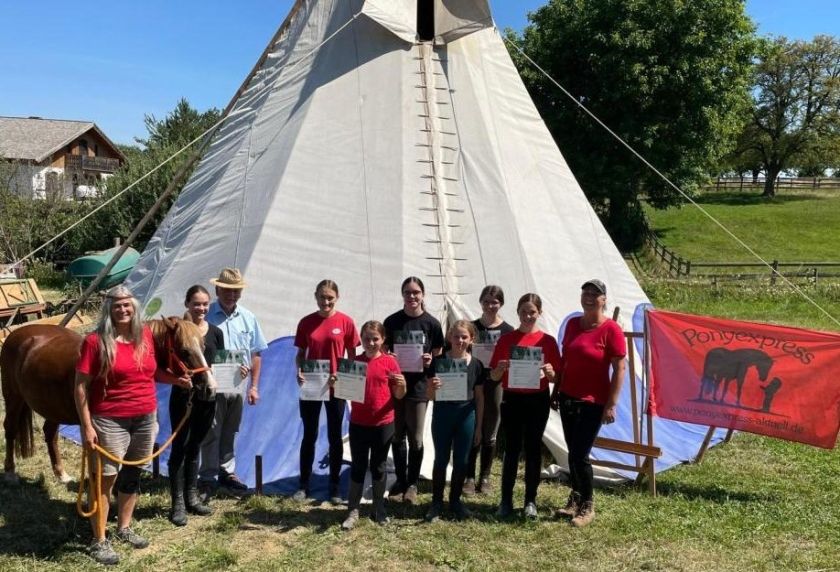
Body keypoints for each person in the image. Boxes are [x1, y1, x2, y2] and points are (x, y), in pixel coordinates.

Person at [75, 286, 192, 565]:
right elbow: (80, 386)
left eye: (127, 305)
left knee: (132, 475)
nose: (123, 310)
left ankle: (124, 527)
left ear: (134, 308)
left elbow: (153, 371)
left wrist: (175, 380)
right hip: (109, 419)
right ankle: (99, 540)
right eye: (117, 306)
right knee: (105, 479)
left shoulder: (145, 336)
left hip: (145, 417)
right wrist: (87, 426)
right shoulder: (95, 342)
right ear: (109, 309)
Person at [551, 279, 626, 527]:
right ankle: (575, 497)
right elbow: (565, 360)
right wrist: (556, 390)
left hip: (593, 401)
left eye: (595, 294)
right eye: (586, 293)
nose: (589, 298)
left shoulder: (611, 329)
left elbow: (620, 369)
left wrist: (611, 404)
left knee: (580, 454)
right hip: (568, 397)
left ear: (604, 300)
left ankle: (587, 505)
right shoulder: (573, 324)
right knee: (572, 452)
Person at [490, 293, 563, 519]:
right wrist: (499, 370)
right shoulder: (506, 340)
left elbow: (556, 377)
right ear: (517, 312)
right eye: (523, 312)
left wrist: (551, 373)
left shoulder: (547, 341)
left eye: (532, 312)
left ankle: (530, 500)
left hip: (537, 400)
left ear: (539, 313)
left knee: (533, 450)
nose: (528, 316)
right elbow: (493, 376)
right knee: (511, 450)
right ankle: (506, 501)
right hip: (512, 399)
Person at [199, 268, 268, 499]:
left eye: (236, 291)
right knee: (211, 428)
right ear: (218, 289)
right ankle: (207, 477)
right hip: (211, 382)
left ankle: (227, 472)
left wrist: (254, 386)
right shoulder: (205, 315)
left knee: (231, 428)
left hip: (238, 382)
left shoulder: (248, 317)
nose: (231, 295)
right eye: (227, 290)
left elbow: (256, 353)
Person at [293, 279, 360, 503]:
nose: (326, 301)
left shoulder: (346, 322)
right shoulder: (306, 322)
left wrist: (342, 375)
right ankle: (303, 485)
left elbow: (352, 356)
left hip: (336, 386)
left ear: (337, 298)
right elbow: (300, 354)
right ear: (316, 296)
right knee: (309, 435)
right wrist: (299, 370)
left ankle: (334, 487)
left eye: (330, 297)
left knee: (334, 437)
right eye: (322, 297)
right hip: (312, 385)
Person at [167, 285, 226, 526]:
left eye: (204, 304)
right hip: (184, 396)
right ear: (187, 304)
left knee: (195, 446)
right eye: (196, 304)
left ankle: (192, 496)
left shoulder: (216, 332)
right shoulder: (179, 330)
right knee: (180, 446)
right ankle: (177, 502)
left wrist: (237, 372)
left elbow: (221, 364)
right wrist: (177, 378)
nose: (201, 308)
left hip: (207, 397)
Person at [383, 276, 444, 504]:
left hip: (419, 387)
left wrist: (430, 360)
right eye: (408, 292)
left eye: (416, 292)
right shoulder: (392, 321)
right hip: (396, 385)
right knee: (397, 435)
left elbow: (439, 354)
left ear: (423, 294)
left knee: (416, 438)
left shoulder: (432, 324)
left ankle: (412, 483)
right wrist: (389, 356)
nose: (412, 296)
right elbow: (382, 350)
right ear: (402, 294)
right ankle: (400, 481)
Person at [341, 321, 406, 530]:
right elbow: (343, 392)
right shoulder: (355, 362)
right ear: (361, 339)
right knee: (358, 466)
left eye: (375, 339)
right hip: (359, 423)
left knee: (379, 466)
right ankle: (353, 510)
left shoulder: (390, 362)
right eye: (367, 339)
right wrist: (336, 383)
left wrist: (402, 385)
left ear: (383, 339)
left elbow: (399, 395)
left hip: (383, 423)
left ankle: (378, 508)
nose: (370, 343)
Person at [425, 320, 485, 522]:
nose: (460, 340)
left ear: (471, 339)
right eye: (456, 336)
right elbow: (430, 396)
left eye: (464, 337)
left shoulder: (476, 365)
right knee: (441, 459)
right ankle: (436, 502)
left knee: (462, 460)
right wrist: (432, 387)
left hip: (466, 416)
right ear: (449, 337)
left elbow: (479, 398)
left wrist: (479, 427)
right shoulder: (438, 362)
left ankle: (455, 501)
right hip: (443, 414)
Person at [464, 285, 514, 496]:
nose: (490, 305)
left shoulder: (508, 330)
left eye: (495, 302)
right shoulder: (472, 327)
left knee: (490, 431)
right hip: (474, 382)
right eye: (486, 301)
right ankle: (469, 476)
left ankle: (484, 477)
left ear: (501, 303)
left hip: (496, 384)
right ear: (480, 302)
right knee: (472, 427)